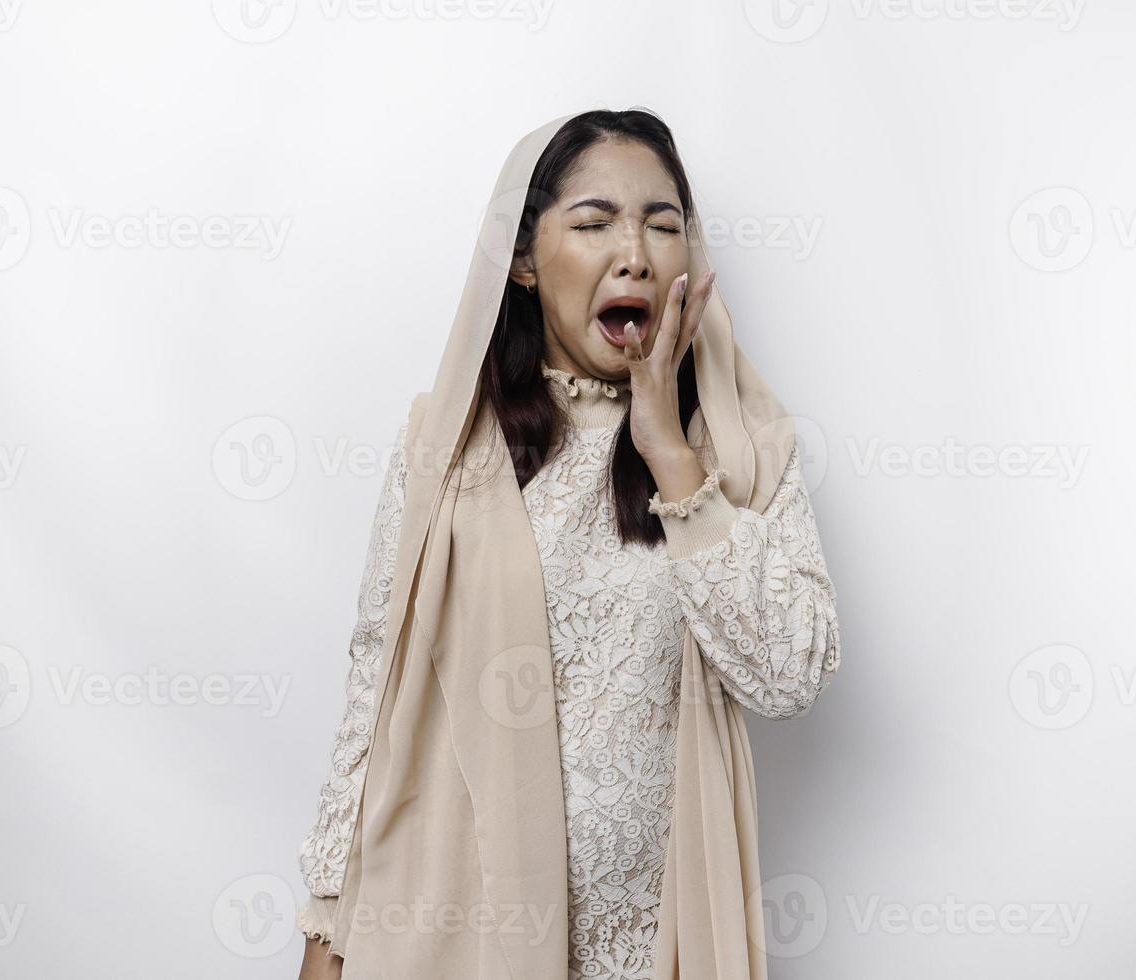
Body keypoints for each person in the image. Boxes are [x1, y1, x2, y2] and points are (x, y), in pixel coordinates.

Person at [295, 108, 842, 980]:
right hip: (450, 937)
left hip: (650, 946)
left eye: (663, 225)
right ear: (521, 260)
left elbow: (789, 676)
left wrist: (670, 455)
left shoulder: (743, 449)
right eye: (594, 224)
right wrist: (327, 937)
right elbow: (373, 696)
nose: (635, 252)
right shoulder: (439, 449)